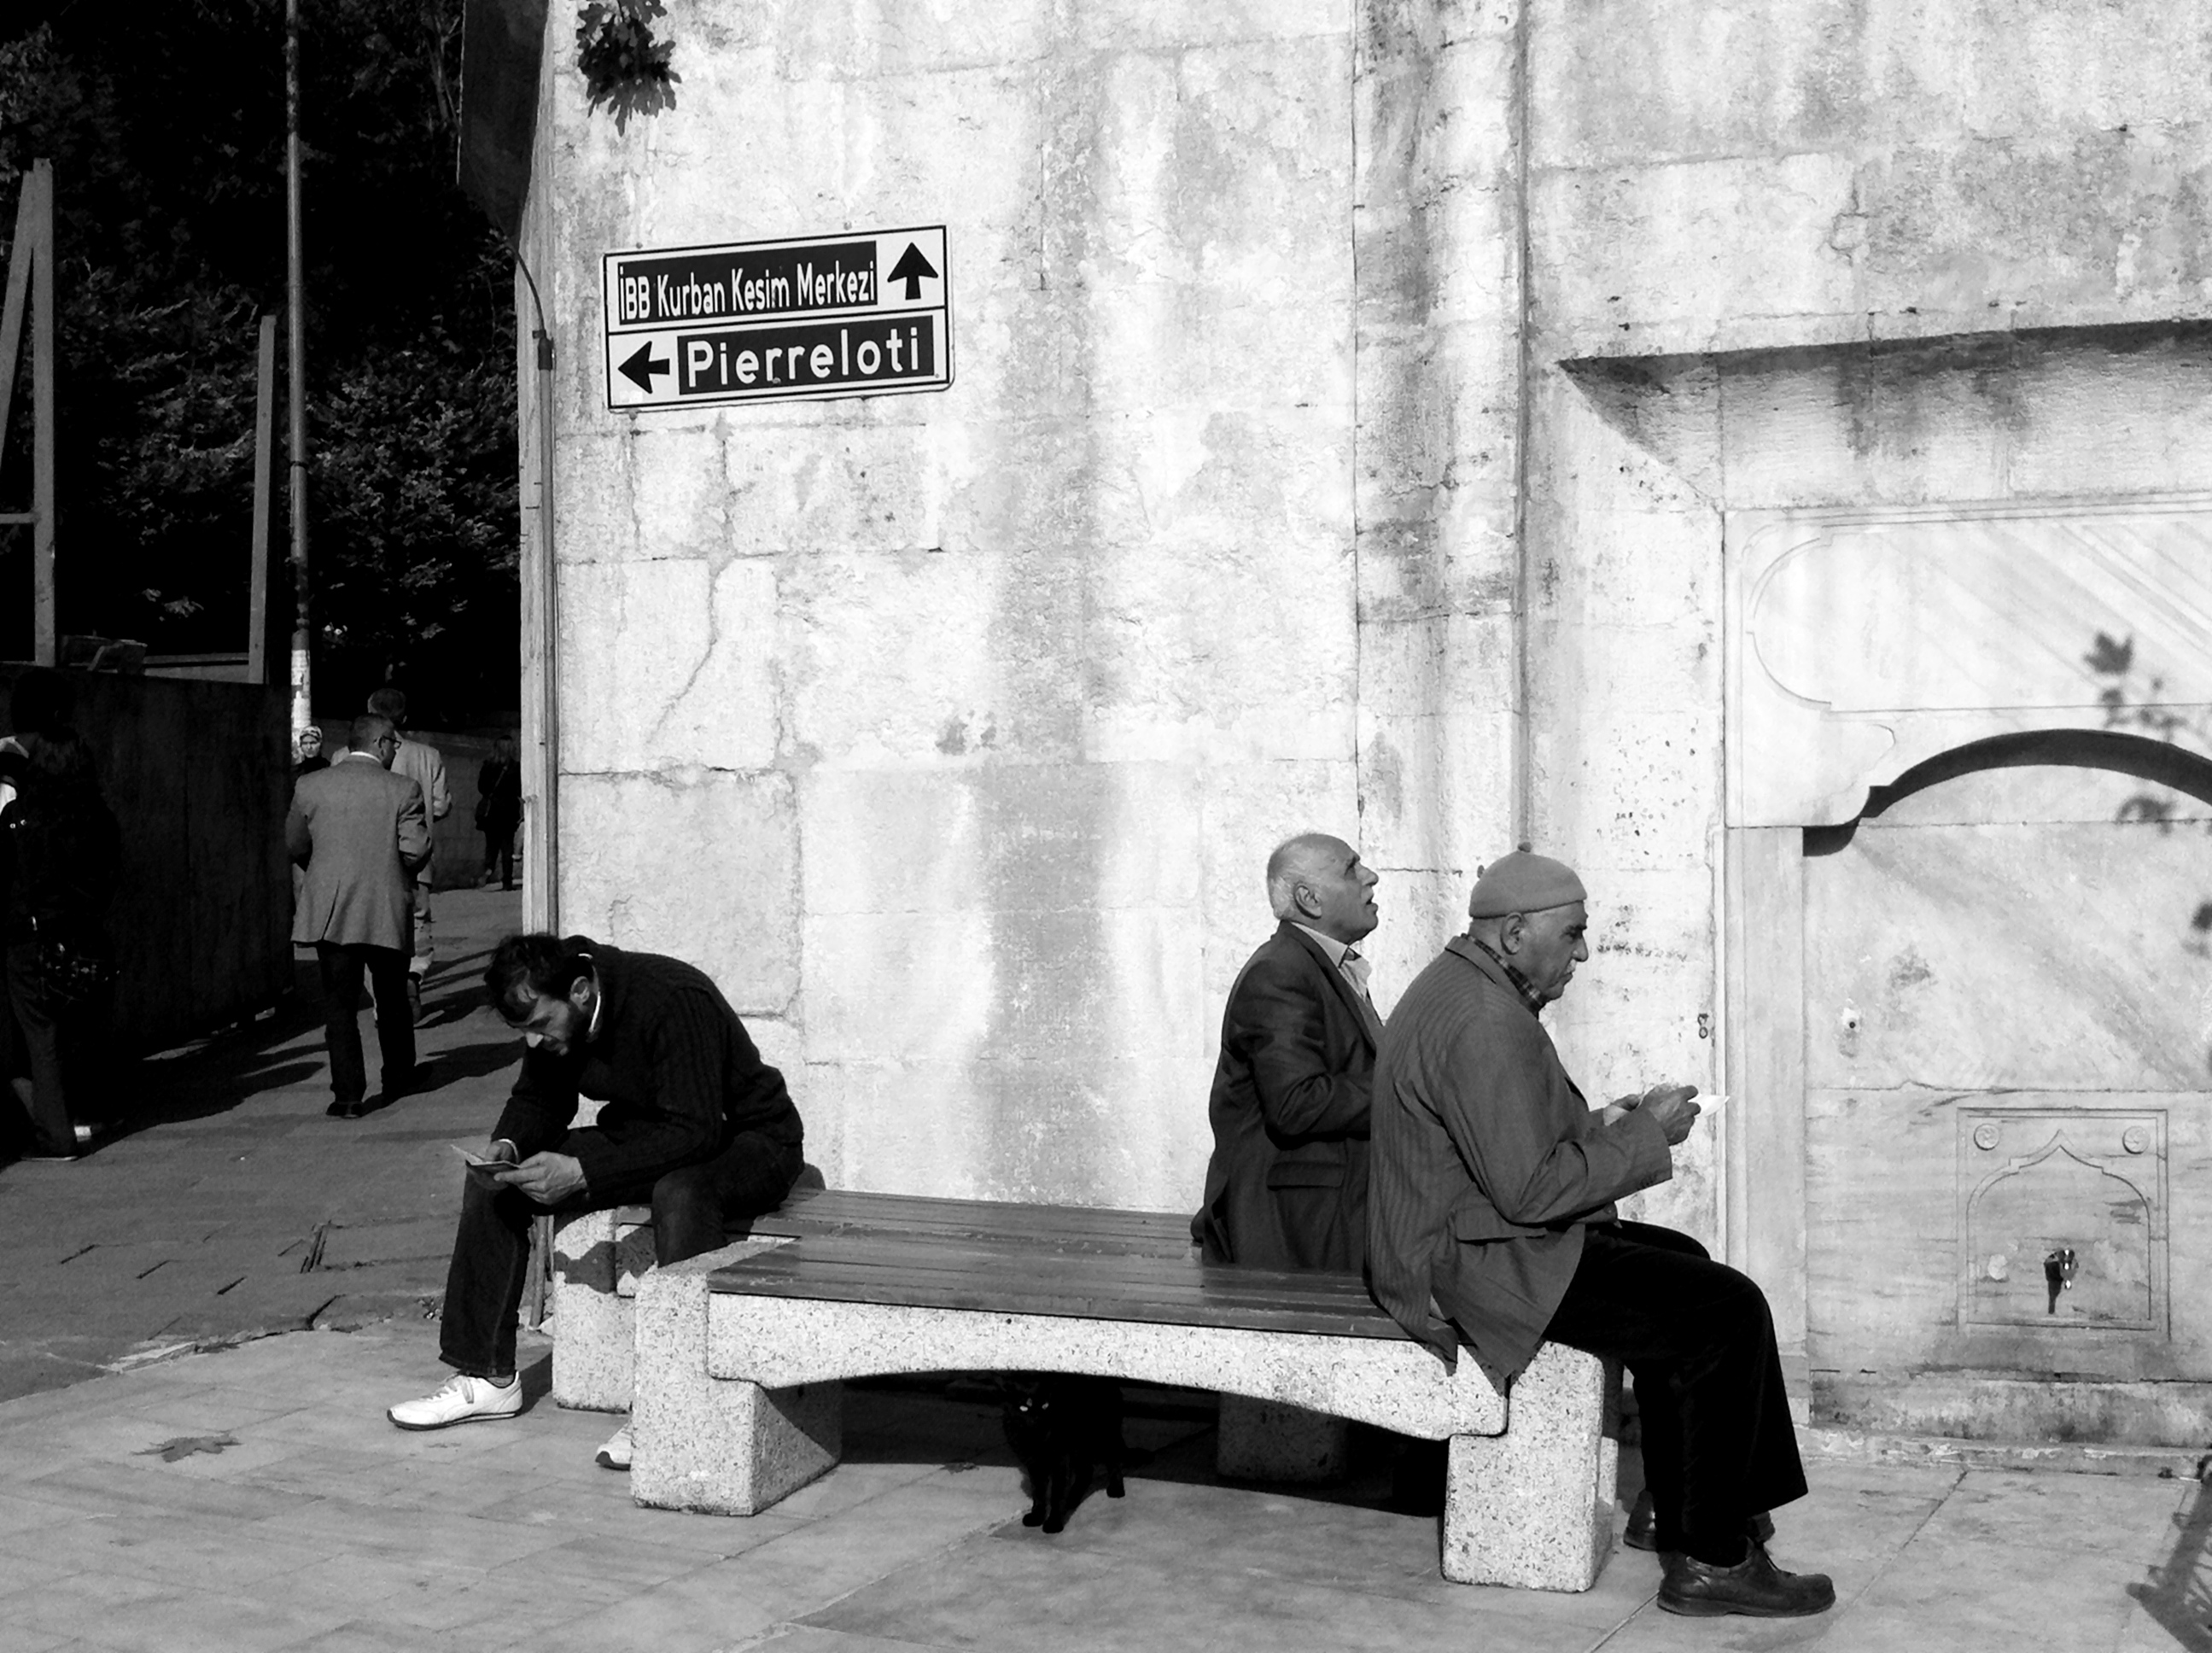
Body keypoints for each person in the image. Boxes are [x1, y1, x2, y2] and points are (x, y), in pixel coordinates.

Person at [1367, 848, 1834, 1620]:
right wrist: (1646, 1136)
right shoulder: (1485, 1019)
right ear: (1514, 932)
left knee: (1686, 1267)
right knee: (1724, 1309)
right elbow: (1529, 1191)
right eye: (1573, 934)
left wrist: (1606, 1125)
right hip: (1468, 1262)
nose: (1582, 953)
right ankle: (1714, 1556)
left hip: (1473, 1238)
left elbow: (1503, 1147)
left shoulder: (1467, 987)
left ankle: (1680, 1507)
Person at [388, 932, 805, 1471]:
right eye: (524, 1031)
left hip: (750, 1141)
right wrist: (508, 1146)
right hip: (648, 1133)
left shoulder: (672, 999)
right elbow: (540, 1098)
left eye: (540, 1025)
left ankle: (674, 1402)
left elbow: (695, 1132)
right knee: (497, 1183)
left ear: (581, 991)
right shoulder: (557, 1017)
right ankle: (485, 1375)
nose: (534, 1041)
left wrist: (583, 1173)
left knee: (681, 1193)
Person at [1192, 832, 1382, 1271]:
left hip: (1329, 1216)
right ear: (1309, 899)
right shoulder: (1280, 973)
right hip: (1294, 1232)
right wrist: (1408, 1088)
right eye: (1351, 869)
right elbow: (1298, 1103)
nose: (1370, 876)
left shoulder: (1321, 966)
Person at [1, 672, 120, 1163]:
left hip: (32, 939)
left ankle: (54, 1134)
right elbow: (110, 877)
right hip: (86, 937)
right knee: (79, 1029)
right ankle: (87, 1113)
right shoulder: (99, 817)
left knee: (37, 1036)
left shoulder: (23, 819)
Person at [287, 714, 429, 1120]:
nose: (395, 751)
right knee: (391, 997)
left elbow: (294, 843)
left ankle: (348, 1096)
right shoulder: (403, 789)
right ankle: (398, 1076)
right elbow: (415, 851)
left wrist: (327, 870)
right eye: (394, 744)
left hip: (332, 912)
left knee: (339, 1005)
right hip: (385, 906)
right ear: (381, 743)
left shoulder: (310, 785)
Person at [366, 688, 449, 1022]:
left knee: (372, 929)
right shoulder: (428, 755)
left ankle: (382, 1003)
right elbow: (441, 805)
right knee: (417, 921)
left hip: (369, 859)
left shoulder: (346, 756)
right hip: (417, 857)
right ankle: (413, 974)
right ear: (405, 716)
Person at [475, 735, 520, 891]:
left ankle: (489, 869)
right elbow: (518, 789)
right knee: (507, 847)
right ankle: (507, 880)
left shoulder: (488, 765)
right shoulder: (515, 767)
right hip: (508, 811)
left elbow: (481, 787)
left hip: (492, 812)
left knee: (491, 844)